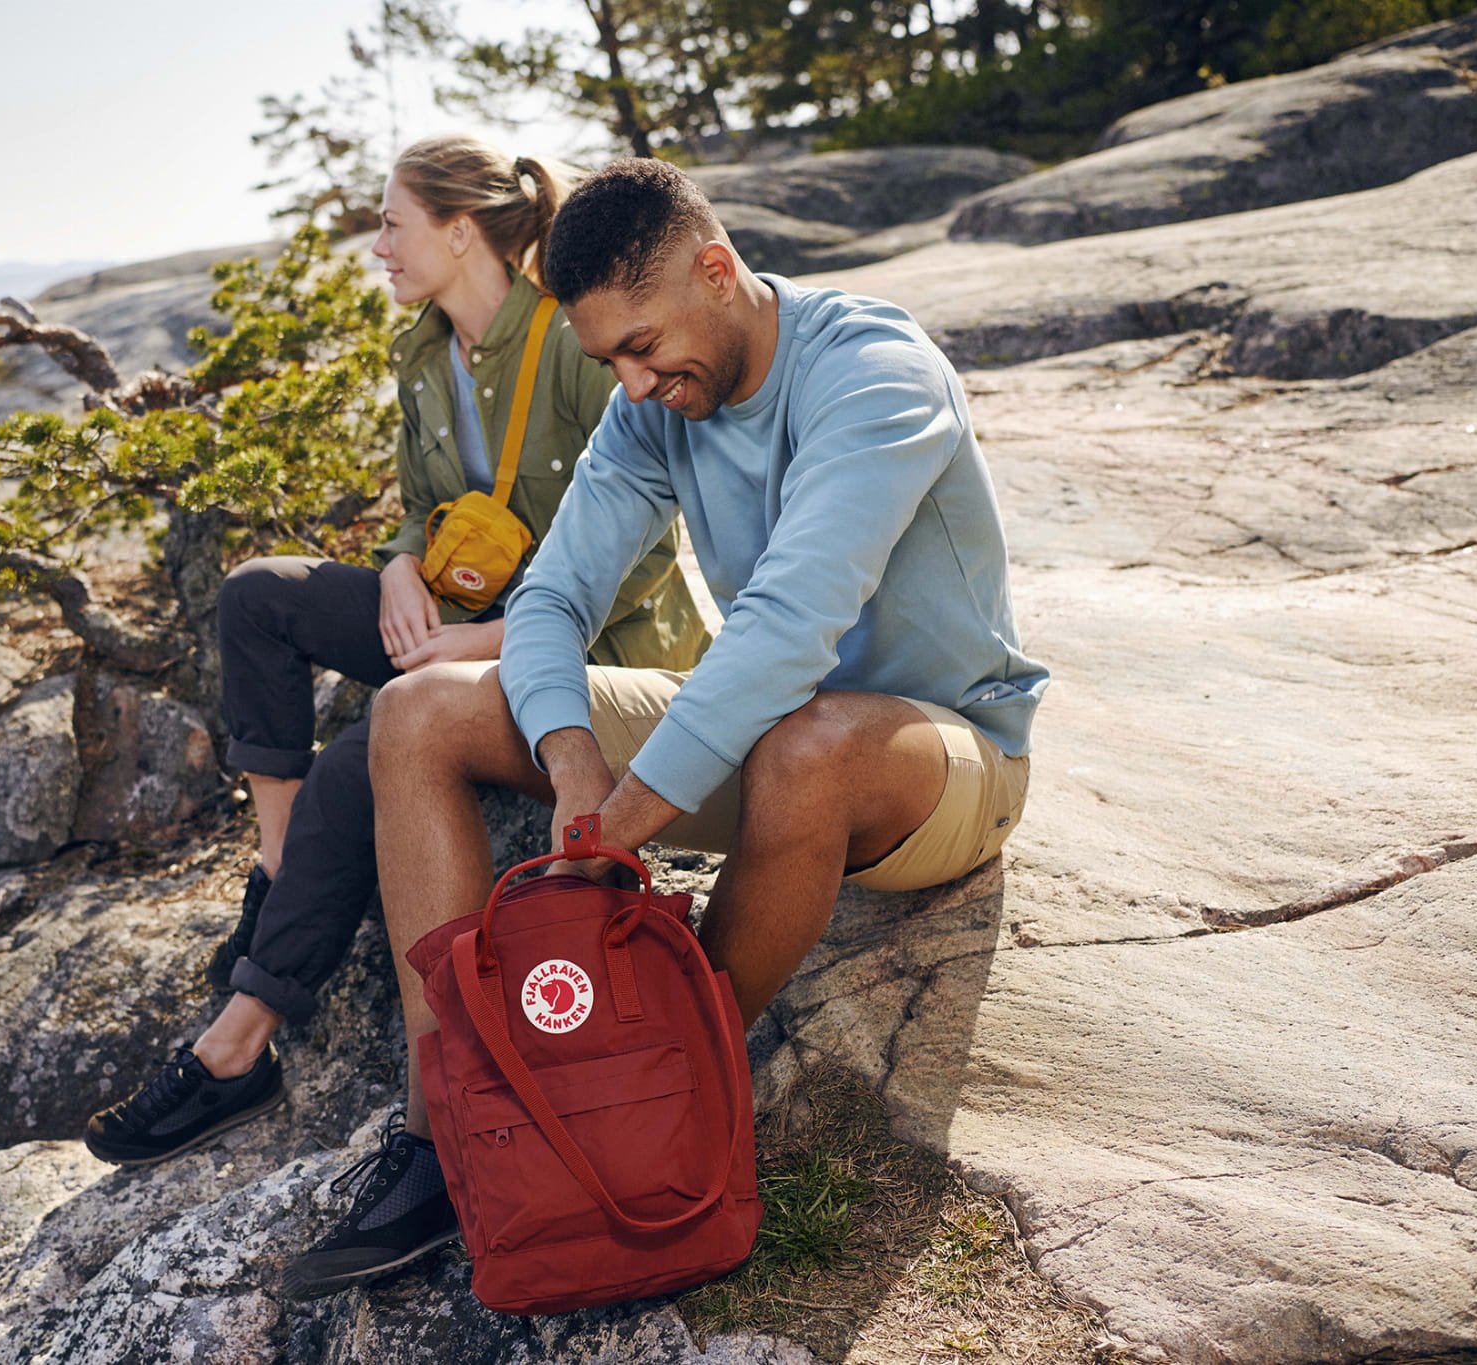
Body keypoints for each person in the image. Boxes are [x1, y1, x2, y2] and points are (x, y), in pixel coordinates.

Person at [278, 157, 1050, 1300]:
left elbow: (787, 623)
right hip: (762, 740)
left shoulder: (874, 374)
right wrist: (569, 756)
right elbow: (552, 598)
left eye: (642, 347)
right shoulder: (650, 405)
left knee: (806, 743)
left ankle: (654, 1098)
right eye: (608, 362)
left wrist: (620, 821)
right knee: (417, 710)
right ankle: (454, 1134)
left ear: (716, 270)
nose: (633, 386)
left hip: (940, 762)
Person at [82, 138, 709, 1166]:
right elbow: (423, 504)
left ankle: (237, 1045)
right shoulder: (421, 353)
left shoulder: (570, 342)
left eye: (390, 224)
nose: (376, 246)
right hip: (457, 619)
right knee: (257, 596)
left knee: (361, 754)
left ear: (459, 232)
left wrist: (489, 639)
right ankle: (278, 868)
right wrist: (399, 567)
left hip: (584, 648)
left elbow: (640, 556)